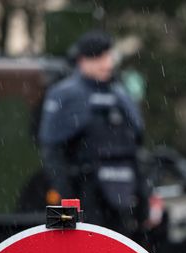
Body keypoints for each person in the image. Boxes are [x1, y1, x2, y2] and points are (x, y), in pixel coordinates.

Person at [38, 30, 149, 239]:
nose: (106, 64)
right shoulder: (65, 94)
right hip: (84, 196)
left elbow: (135, 150)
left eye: (108, 57)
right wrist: (66, 210)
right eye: (99, 58)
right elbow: (53, 155)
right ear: (82, 60)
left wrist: (143, 202)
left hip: (121, 198)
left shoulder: (120, 94)